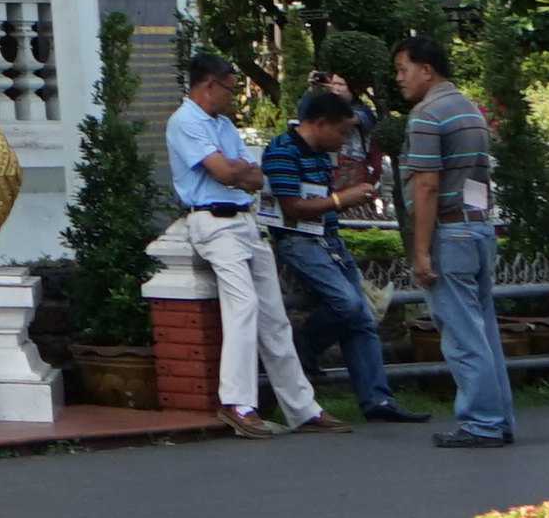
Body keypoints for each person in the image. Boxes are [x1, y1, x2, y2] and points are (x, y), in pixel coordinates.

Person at [165, 55, 320, 431]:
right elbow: (224, 171)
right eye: (230, 89)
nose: (233, 97)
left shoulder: (222, 125)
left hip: (244, 220)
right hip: (212, 221)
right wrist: (236, 172)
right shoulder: (185, 121)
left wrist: (237, 172)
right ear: (208, 85)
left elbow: (252, 175)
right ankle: (236, 402)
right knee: (244, 306)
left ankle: (303, 408)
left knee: (274, 317)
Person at [392, 26, 516, 448]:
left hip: (451, 232)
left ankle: (481, 422)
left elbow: (426, 185)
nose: (399, 78)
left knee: (462, 336)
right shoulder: (469, 110)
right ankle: (499, 419)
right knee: (483, 332)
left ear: (426, 70)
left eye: (403, 69)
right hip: (479, 228)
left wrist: (422, 251)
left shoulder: (427, 115)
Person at [264, 78, 403, 427]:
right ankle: (305, 346)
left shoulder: (323, 156)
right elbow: (293, 207)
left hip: (328, 239)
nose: (343, 142)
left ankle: (378, 399)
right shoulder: (282, 150)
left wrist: (340, 201)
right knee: (349, 303)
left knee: (363, 317)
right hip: (297, 239)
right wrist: (343, 199)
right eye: (340, 133)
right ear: (320, 123)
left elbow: (320, 203)